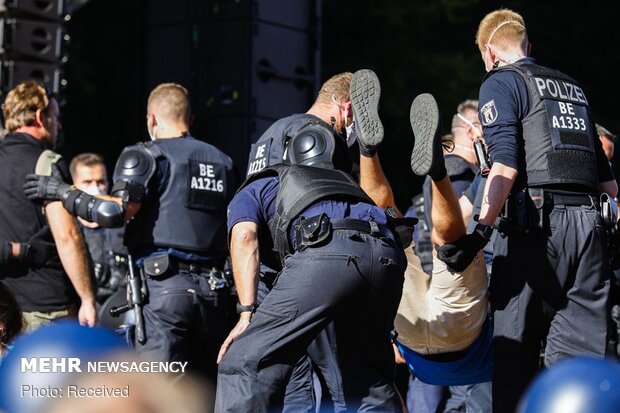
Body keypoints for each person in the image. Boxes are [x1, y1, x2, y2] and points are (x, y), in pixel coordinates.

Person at [438, 9, 618, 412]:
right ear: (528, 47)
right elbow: (609, 185)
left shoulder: (501, 82)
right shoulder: (573, 89)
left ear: (489, 51)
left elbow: (504, 165)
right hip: (591, 230)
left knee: (515, 356)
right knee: (580, 370)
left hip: (536, 231)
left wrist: (479, 233)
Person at [24, 83, 237, 384]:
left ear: (151, 119)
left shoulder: (147, 156)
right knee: (202, 390)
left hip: (165, 291)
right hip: (215, 294)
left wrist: (61, 190)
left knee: (157, 390)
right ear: (190, 119)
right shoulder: (222, 162)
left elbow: (114, 212)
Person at [216, 116, 407, 411]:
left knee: (245, 363)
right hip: (388, 255)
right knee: (366, 380)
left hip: (326, 249)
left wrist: (246, 314)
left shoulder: (268, 180)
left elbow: (244, 235)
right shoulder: (354, 187)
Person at [394, 93, 492, 402]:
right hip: (454, 301)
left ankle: (368, 152)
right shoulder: (465, 171)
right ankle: (437, 173)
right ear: (473, 130)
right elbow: (456, 227)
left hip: (412, 301)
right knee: (454, 247)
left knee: (388, 226)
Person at [0, 80, 96, 331]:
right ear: (41, 117)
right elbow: (67, 236)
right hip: (46, 309)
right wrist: (87, 298)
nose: (59, 125)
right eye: (56, 117)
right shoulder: (47, 162)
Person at [69, 153, 127, 305]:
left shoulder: (123, 224)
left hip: (120, 304)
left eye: (101, 182)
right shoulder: (69, 229)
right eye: (87, 182)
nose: (95, 188)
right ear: (74, 186)